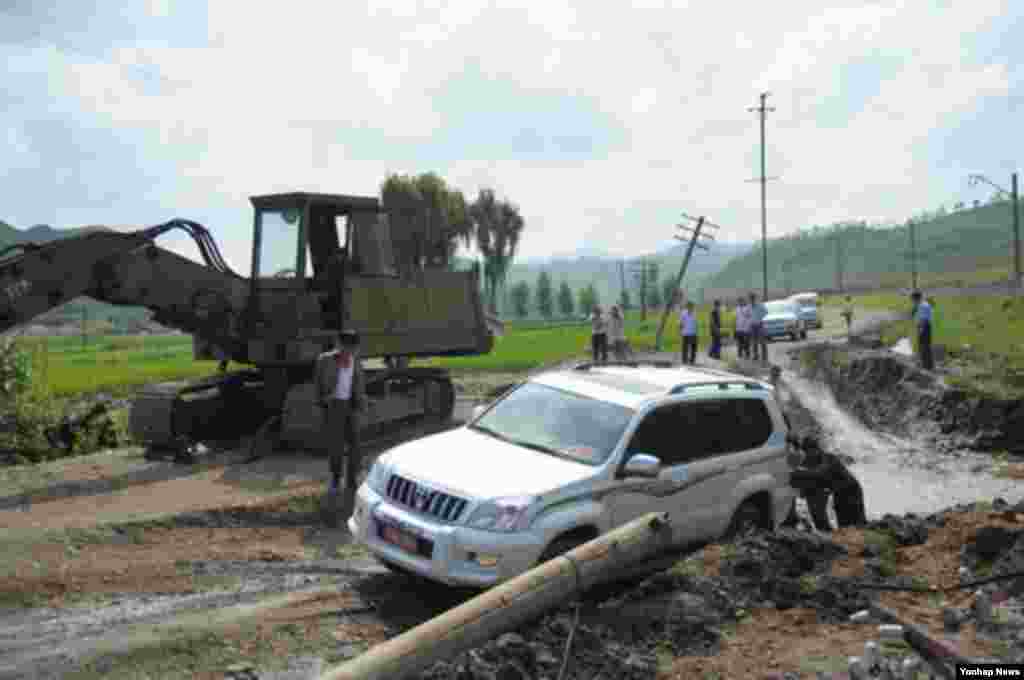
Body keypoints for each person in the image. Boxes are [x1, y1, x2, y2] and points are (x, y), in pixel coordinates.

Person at [314, 330, 366, 525]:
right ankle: (336, 478)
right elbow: (318, 383)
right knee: (335, 446)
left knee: (356, 445)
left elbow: (359, 382)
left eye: (353, 348)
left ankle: (352, 481)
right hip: (334, 405)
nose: (349, 351)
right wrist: (322, 400)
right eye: (346, 347)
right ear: (339, 345)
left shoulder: (356, 360)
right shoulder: (325, 360)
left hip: (351, 406)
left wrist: (362, 402)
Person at [786, 435, 867, 531]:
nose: (809, 454)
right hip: (837, 493)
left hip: (851, 491)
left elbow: (820, 472)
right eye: (806, 452)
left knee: (855, 525)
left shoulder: (828, 458)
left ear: (817, 449)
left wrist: (796, 473)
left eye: (811, 451)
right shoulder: (808, 460)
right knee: (844, 526)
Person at [910, 290, 933, 370]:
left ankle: (927, 366)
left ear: (916, 298)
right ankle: (924, 364)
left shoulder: (923, 306)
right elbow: (914, 315)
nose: (912, 302)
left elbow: (924, 320)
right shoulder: (920, 305)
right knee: (922, 347)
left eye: (913, 300)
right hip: (922, 327)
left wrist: (920, 329)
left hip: (924, 327)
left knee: (924, 347)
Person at [749, 292, 767, 362]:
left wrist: (760, 318)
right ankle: (755, 356)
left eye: (753, 298)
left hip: (759, 325)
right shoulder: (749, 306)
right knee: (754, 342)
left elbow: (765, 312)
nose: (752, 299)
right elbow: (748, 314)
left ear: (755, 298)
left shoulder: (760, 305)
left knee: (762, 342)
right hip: (753, 325)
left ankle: (764, 357)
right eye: (750, 298)